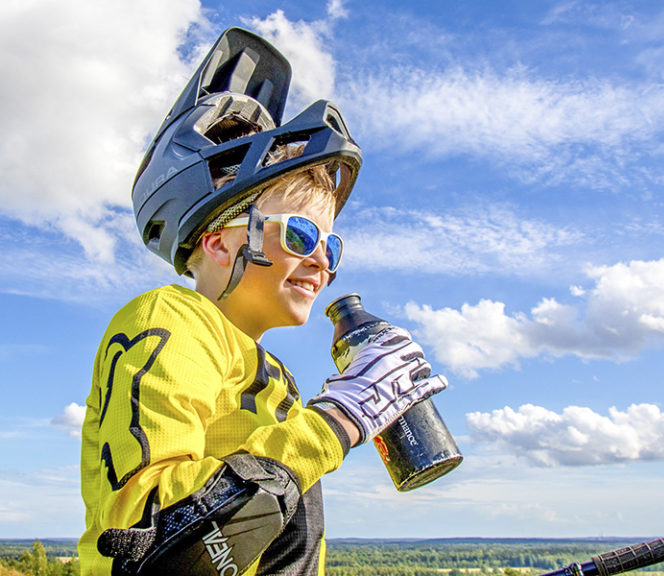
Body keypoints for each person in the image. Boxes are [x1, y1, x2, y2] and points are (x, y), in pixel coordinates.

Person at [78, 28, 448, 576]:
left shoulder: (273, 374)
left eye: (330, 244)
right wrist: (339, 420)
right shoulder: (172, 318)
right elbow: (153, 545)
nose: (322, 261)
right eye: (300, 234)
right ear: (220, 241)